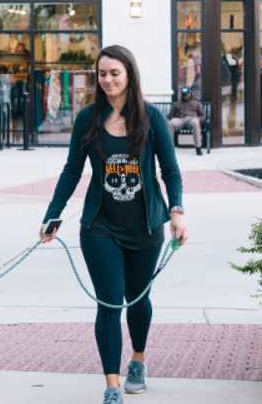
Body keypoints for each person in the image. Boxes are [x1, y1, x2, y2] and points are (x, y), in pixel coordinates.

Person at [40, 44, 188, 403]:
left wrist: (177, 212)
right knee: (109, 304)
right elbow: (72, 170)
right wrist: (53, 213)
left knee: (138, 300)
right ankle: (111, 385)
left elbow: (170, 171)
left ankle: (137, 359)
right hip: (99, 228)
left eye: (114, 73)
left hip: (146, 227)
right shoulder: (87, 119)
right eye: (102, 74)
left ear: (129, 75)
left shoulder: (151, 119)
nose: (107, 80)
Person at [167, 87, 206, 155]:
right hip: (180, 119)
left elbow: (203, 115)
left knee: (195, 123)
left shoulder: (196, 103)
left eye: (187, 94)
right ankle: (170, 148)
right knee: (171, 123)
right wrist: (173, 118)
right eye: (184, 94)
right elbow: (170, 115)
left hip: (192, 119)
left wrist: (198, 119)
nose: (185, 96)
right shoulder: (177, 103)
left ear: (190, 94)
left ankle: (198, 148)